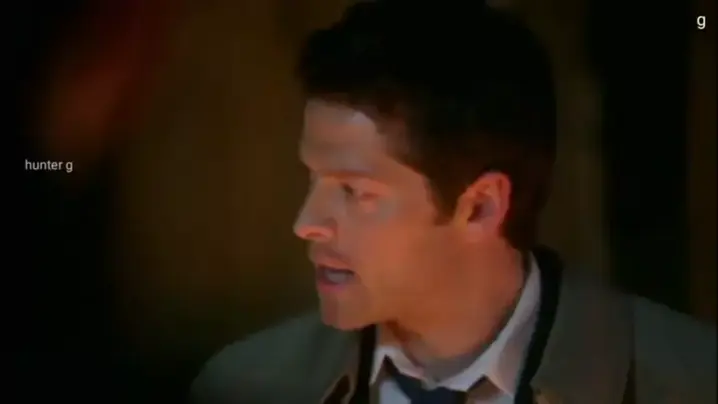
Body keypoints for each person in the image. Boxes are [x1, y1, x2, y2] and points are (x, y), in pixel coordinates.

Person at [190, 1, 716, 403]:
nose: (306, 224)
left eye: (355, 191)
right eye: (313, 179)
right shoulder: (246, 386)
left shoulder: (687, 382)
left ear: (481, 206)